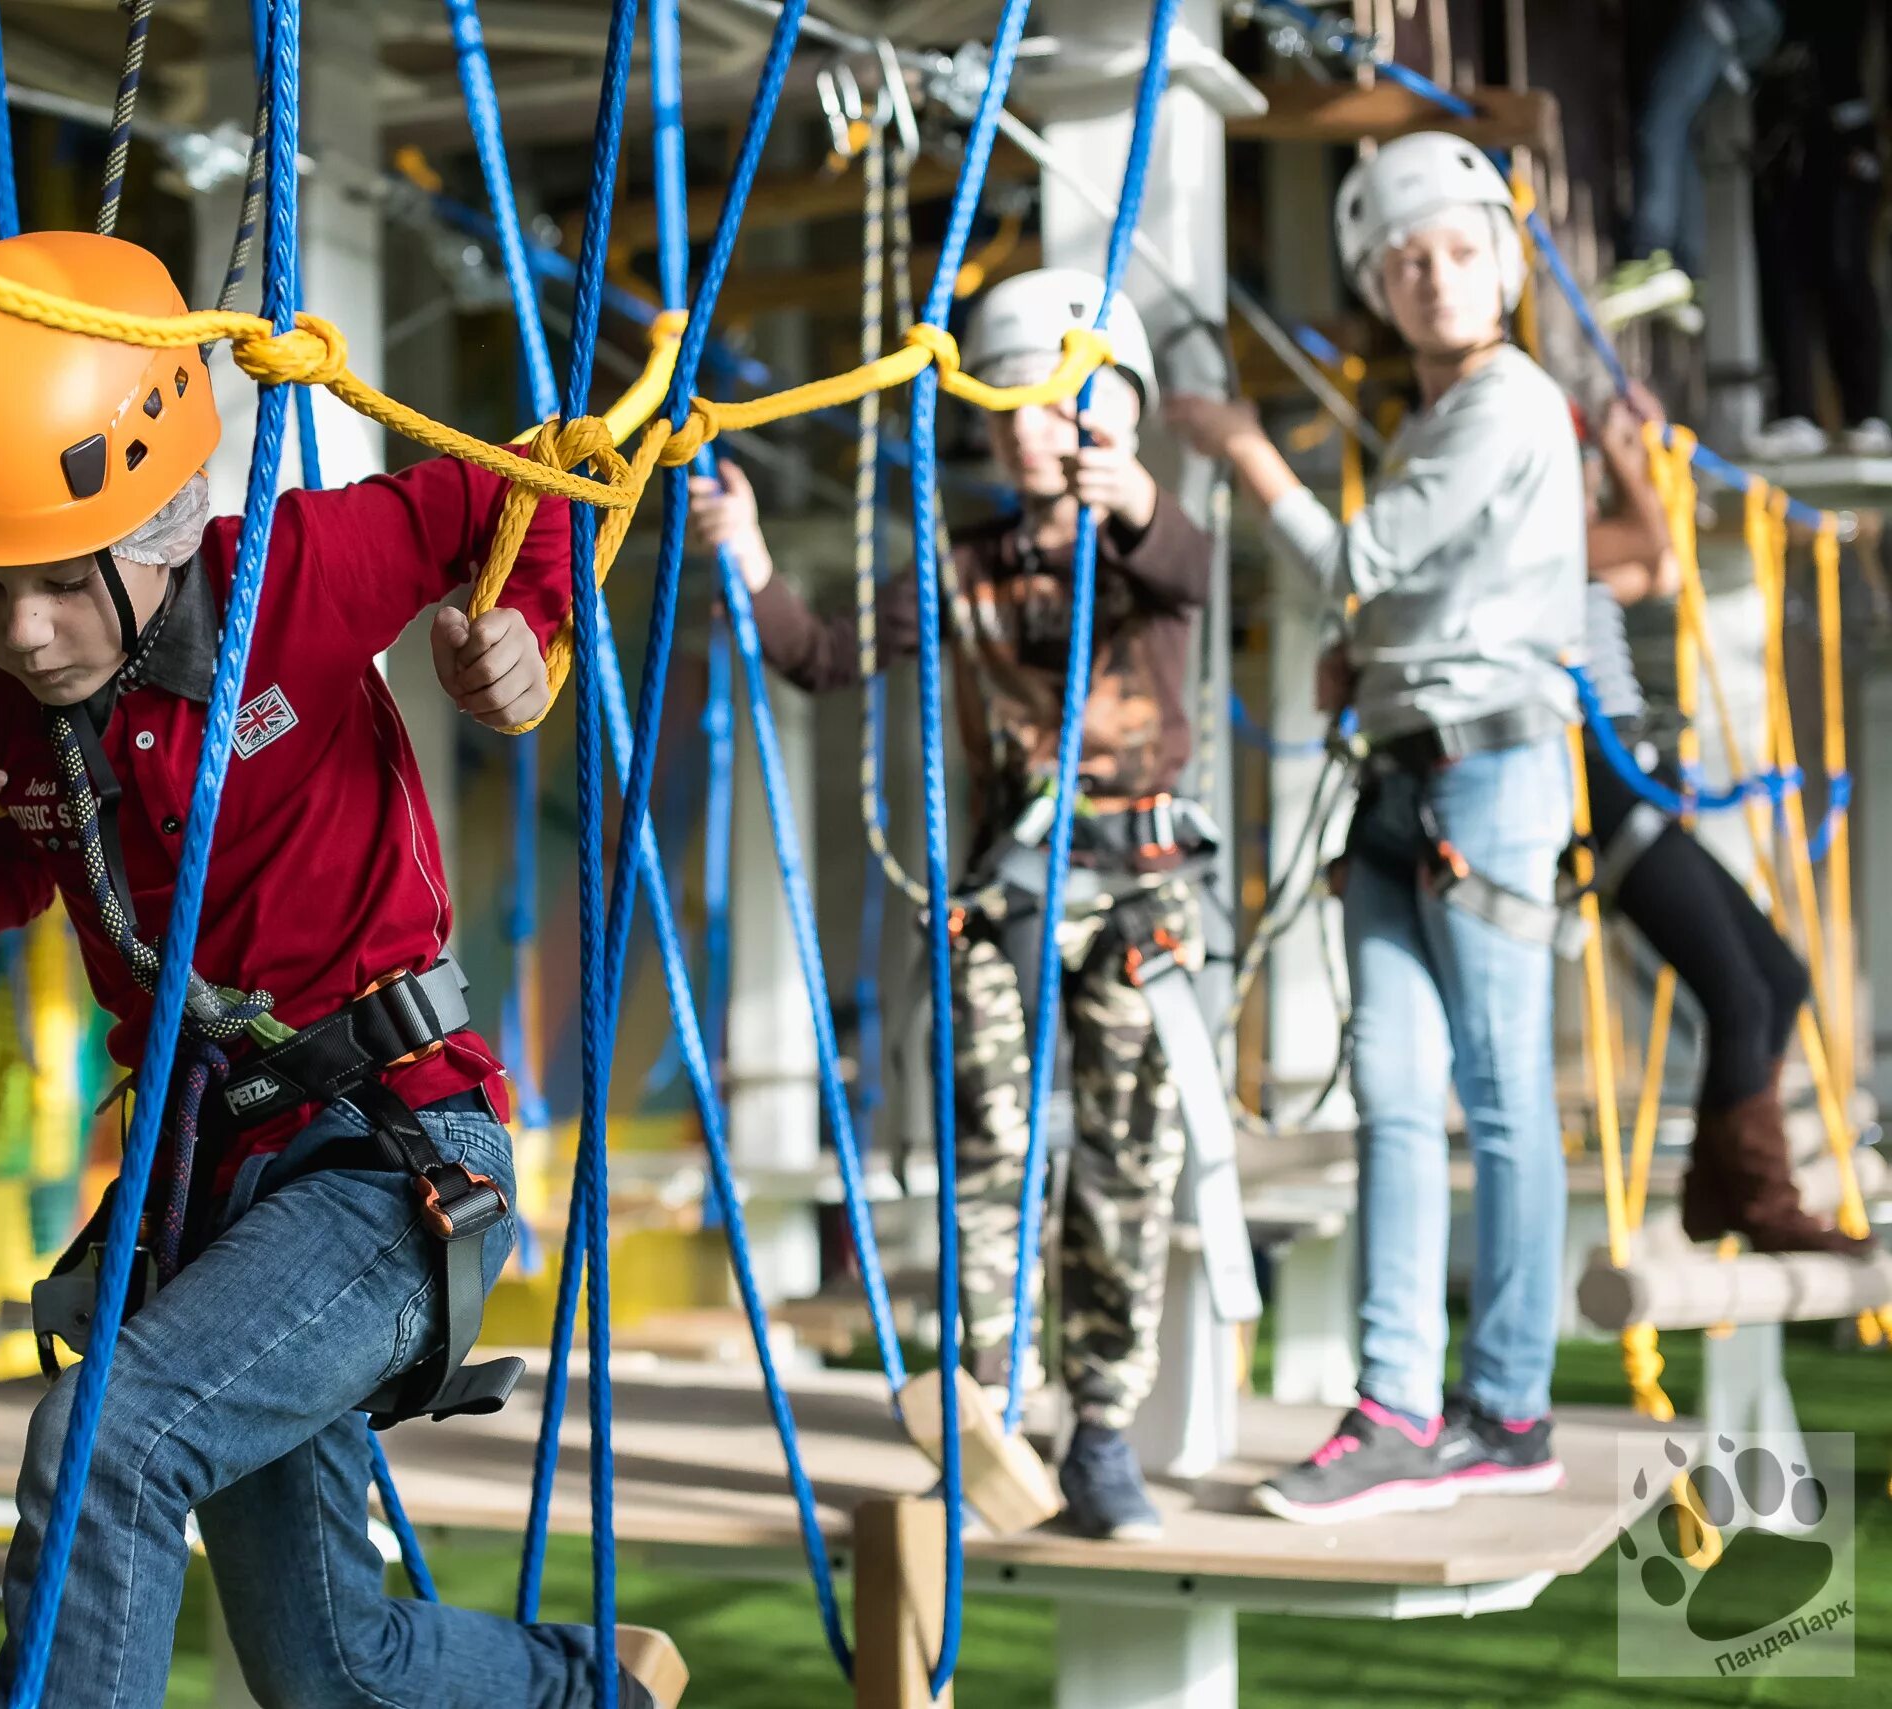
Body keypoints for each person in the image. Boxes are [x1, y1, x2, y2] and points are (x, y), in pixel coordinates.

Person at [0, 231, 678, 1709]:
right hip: (216, 1203)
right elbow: (24, 872)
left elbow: (541, 487)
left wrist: (531, 634)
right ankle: (598, 1693)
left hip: (391, 1158)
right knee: (332, 1674)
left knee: (105, 1449)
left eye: (62, 581)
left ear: (173, 516)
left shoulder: (294, 580)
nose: (28, 632)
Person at [689, 269, 1218, 1543]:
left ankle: (1100, 1431)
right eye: (1004, 407)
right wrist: (749, 555)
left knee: (1121, 1170)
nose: (1024, 425)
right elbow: (821, 654)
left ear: (1116, 408)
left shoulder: (1140, 538)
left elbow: (1187, 568)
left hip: (1134, 902)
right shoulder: (961, 567)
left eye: (1051, 400)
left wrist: (1133, 495)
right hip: (1007, 900)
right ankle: (987, 1412)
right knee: (990, 1163)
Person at [1169, 133, 1586, 1524]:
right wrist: (1375, 657)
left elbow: (1359, 554)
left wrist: (1233, 443)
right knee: (1398, 1104)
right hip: (1411, 777)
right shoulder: (1440, 416)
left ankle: (1509, 1406)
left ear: (1504, 263)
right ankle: (1398, 1407)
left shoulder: (1508, 403)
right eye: (1405, 261)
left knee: (1501, 1099)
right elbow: (1420, 582)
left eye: (1458, 250)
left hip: (1484, 784)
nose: (1432, 276)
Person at [1576, 392, 1866, 1254]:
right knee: (1738, 992)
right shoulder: (1532, 543)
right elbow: (1654, 546)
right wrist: (1625, 453)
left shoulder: (1570, 555)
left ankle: (1718, 1189)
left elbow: (1658, 572)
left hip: (1634, 777)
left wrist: (1619, 451)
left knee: (1777, 975)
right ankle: (1763, 1200)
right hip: (1601, 789)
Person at [1745, 1, 1890, 459]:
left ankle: (1865, 413)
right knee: (1785, 269)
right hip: (1785, 130)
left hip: (1846, 127)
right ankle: (1796, 413)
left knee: (1843, 266)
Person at [1601, 0, 1782, 331]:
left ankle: (1650, 255)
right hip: (1751, 21)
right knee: (1678, 131)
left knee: (1661, 123)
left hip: (1731, 12)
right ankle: (1684, 271)